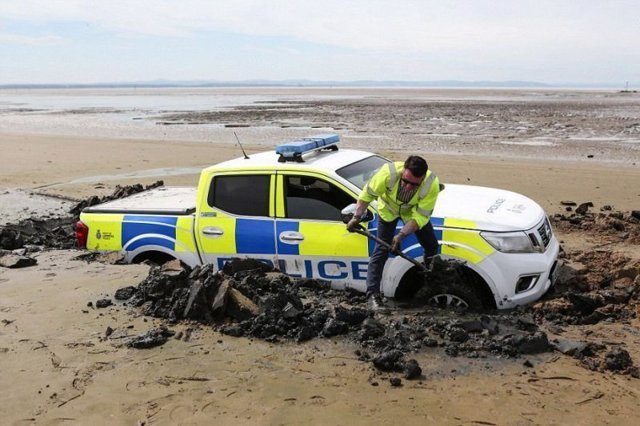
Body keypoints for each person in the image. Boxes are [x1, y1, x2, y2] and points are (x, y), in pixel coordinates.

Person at [347, 155, 440, 310]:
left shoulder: (431, 184)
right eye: (406, 181)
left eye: (414, 184)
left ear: (423, 178)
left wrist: (401, 235)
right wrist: (357, 216)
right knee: (381, 250)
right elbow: (367, 195)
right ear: (403, 171)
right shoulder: (388, 174)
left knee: (431, 246)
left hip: (411, 213)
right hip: (388, 211)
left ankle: (430, 284)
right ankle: (372, 295)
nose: (408, 187)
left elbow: (421, 216)